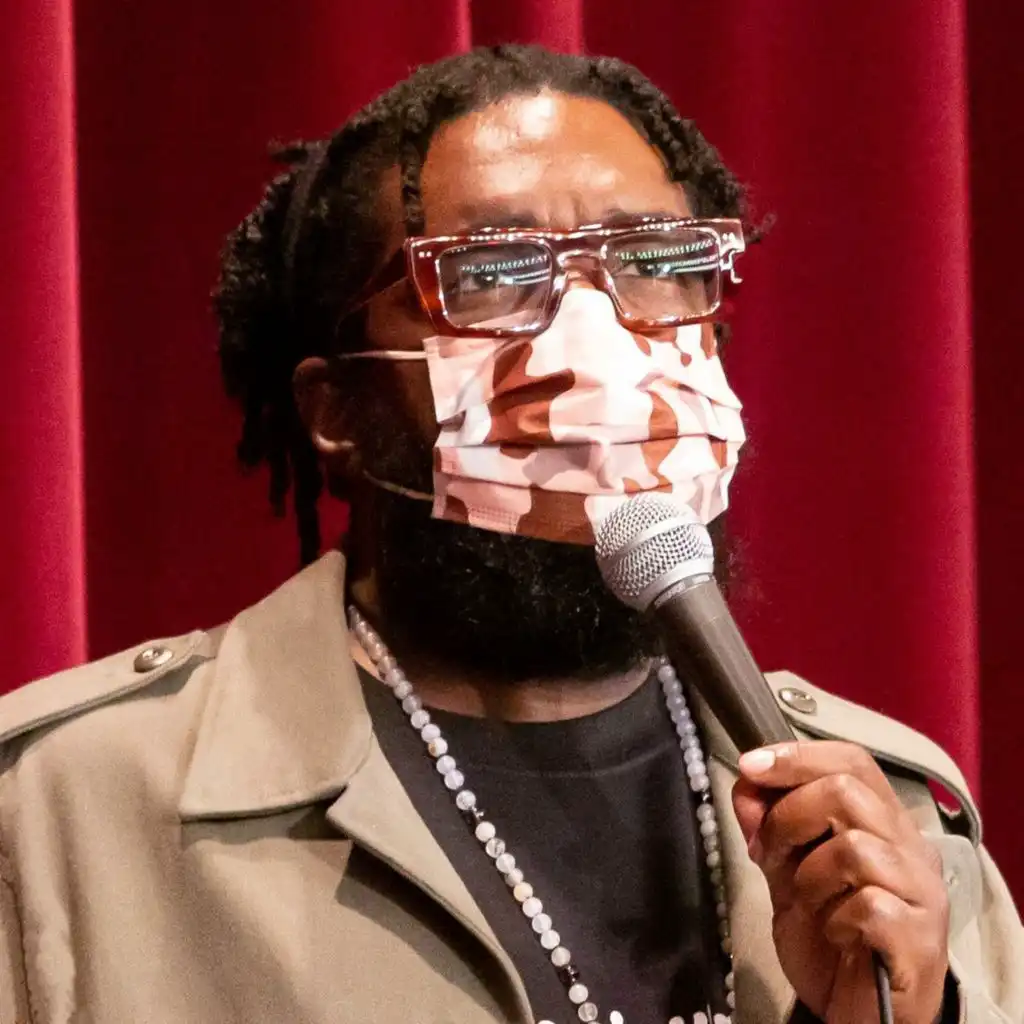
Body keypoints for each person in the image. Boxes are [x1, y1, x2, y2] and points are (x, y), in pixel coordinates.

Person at [0, 45, 1020, 1024]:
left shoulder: (885, 820)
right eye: (490, 275)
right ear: (338, 413)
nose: (594, 351)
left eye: (656, 261)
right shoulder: (63, 810)